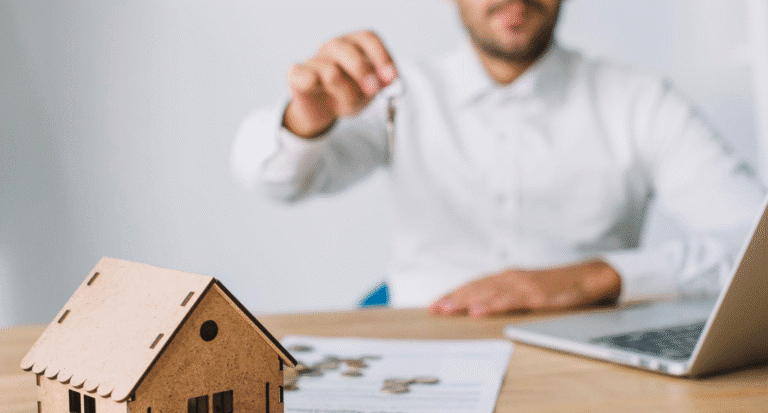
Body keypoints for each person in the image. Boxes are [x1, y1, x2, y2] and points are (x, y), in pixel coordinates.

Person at [231, 0, 764, 317]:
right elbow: (276, 181)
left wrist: (601, 276)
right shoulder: (396, 90)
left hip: (583, 360)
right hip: (419, 337)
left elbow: (754, 247)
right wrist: (306, 121)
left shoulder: (642, 101)